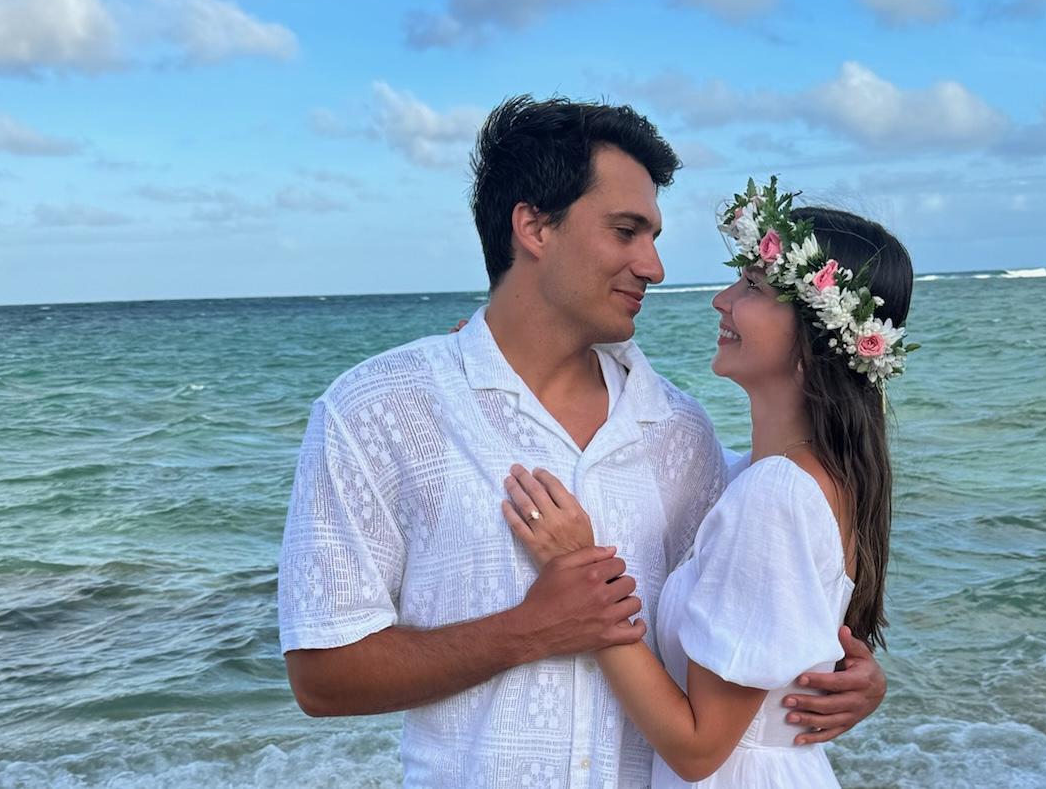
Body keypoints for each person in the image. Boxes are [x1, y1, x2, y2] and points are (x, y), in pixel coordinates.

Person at [277, 98, 887, 787]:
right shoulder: (381, 410)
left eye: (652, 236)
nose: (654, 267)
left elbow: (769, 583)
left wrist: (827, 674)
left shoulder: (681, 433)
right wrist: (529, 630)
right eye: (626, 231)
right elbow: (321, 677)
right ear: (534, 226)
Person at [500, 178, 915, 786]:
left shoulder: (775, 493)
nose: (722, 300)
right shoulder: (798, 476)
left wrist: (585, 589)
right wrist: (508, 347)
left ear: (816, 335)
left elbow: (698, 750)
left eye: (753, 286)